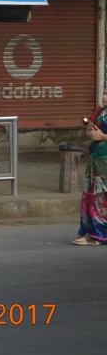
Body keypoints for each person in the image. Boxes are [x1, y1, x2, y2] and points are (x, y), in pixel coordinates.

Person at [73, 87, 107, 245]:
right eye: (104, 93)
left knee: (103, 198)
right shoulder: (100, 112)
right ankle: (92, 231)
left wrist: (103, 136)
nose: (104, 97)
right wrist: (92, 134)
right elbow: (89, 128)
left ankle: (101, 234)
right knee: (93, 195)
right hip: (97, 159)